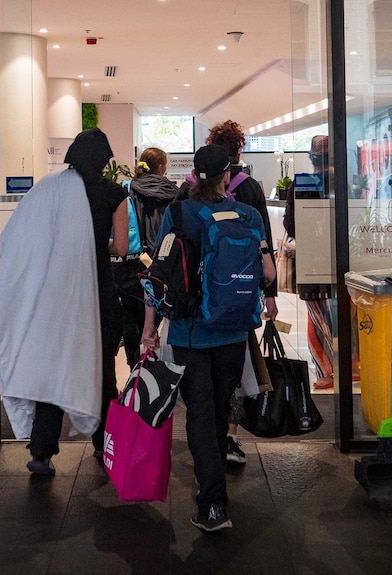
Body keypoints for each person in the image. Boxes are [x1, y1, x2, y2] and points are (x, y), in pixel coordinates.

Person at [142, 144, 276, 532]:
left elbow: (159, 275)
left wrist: (150, 327)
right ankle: (215, 487)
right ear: (226, 175)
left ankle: (213, 504)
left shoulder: (179, 213)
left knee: (199, 413)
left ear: (194, 175)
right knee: (220, 409)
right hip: (233, 331)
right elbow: (266, 273)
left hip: (189, 332)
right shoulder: (248, 214)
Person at [0, 128, 129, 475]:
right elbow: (122, 248)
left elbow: (27, 239)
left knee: (54, 367)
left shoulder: (49, 188)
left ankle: (41, 451)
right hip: (98, 293)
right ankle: (103, 444)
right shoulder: (114, 193)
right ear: (104, 160)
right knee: (104, 372)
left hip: (56, 295)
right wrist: (96, 246)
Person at [181, 119, 279, 464]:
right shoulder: (249, 193)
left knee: (201, 396)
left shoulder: (184, 198)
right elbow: (266, 258)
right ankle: (229, 438)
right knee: (234, 379)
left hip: (195, 315)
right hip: (238, 305)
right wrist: (270, 296)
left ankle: (208, 455)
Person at [112, 148, 179, 368]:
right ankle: (157, 364)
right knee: (157, 313)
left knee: (130, 315)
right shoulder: (173, 191)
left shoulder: (127, 189)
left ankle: (134, 365)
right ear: (162, 167)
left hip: (130, 262)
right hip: (160, 263)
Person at [300, 135, 336, 390]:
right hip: (341, 256)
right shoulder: (344, 183)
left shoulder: (302, 183)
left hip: (311, 257)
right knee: (340, 312)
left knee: (316, 315)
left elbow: (292, 224)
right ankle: (351, 365)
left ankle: (325, 371)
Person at [130, 147, 180, 256]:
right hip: (165, 248)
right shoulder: (171, 191)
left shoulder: (131, 188)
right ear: (160, 167)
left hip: (137, 251)